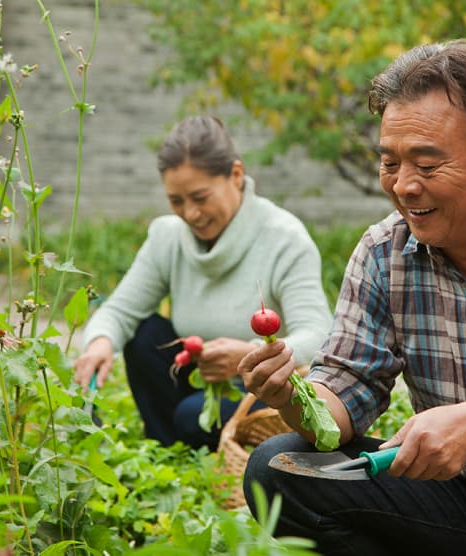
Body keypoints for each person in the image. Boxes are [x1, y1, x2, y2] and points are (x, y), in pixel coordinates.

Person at [237, 39, 466, 555]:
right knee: (279, 466)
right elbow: (344, 393)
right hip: (455, 502)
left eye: (426, 164)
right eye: (390, 163)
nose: (403, 186)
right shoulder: (385, 251)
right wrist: (292, 396)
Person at [73, 115, 332, 450]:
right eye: (176, 201)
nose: (190, 213)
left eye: (200, 197)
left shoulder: (284, 239)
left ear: (236, 176)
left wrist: (252, 355)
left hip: (261, 390)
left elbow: (318, 336)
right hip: (197, 382)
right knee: (144, 333)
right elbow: (119, 310)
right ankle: (169, 455)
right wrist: (99, 343)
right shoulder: (168, 236)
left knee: (192, 415)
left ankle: (194, 448)